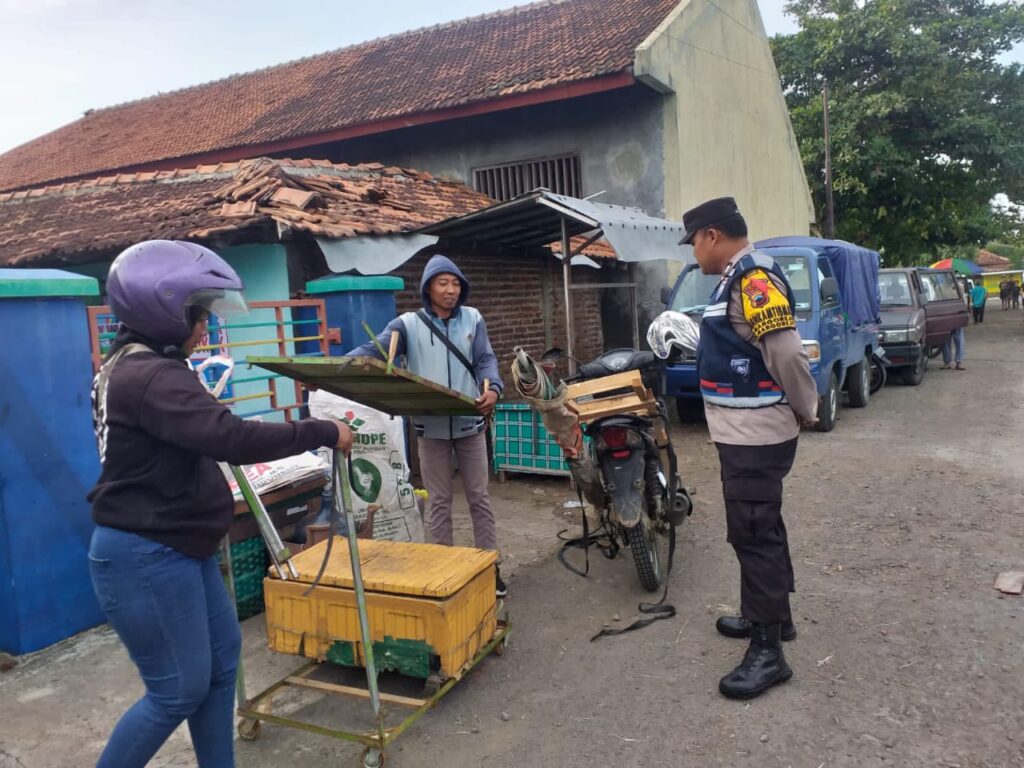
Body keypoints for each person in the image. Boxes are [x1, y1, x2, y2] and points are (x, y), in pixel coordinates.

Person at [88, 240, 353, 768]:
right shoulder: (151, 376)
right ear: (165, 311)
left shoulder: (135, 363)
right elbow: (228, 437)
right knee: (175, 690)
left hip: (177, 546)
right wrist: (322, 429)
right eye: (200, 313)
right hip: (147, 554)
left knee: (220, 662)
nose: (206, 327)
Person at [679, 198, 819, 700]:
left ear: (712, 235)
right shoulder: (736, 277)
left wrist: (806, 406)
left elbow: (785, 351)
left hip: (756, 437)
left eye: (694, 241)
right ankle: (772, 619)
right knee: (762, 527)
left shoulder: (753, 278)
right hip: (744, 435)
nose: (694, 252)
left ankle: (768, 653)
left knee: (754, 533)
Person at [347, 254, 506, 596]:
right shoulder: (407, 324)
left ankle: (490, 567)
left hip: (469, 424)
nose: (450, 290)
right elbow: (372, 350)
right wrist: (339, 368)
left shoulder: (473, 319)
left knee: (479, 497)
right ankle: (445, 572)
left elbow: (485, 360)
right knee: (439, 502)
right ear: (428, 288)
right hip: (430, 430)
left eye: (455, 284)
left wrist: (493, 387)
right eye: (442, 283)